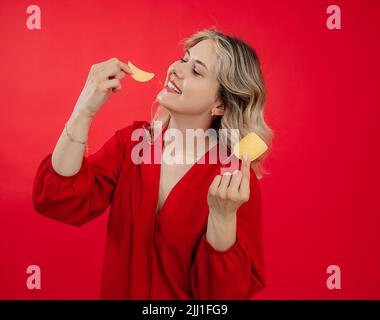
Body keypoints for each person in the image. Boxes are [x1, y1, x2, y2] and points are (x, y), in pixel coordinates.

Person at [32, 28, 274, 300]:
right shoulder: (132, 144)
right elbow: (57, 199)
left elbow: (221, 298)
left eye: (197, 71)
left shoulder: (233, 180)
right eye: (184, 59)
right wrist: (84, 109)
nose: (176, 70)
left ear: (220, 105)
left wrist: (223, 215)